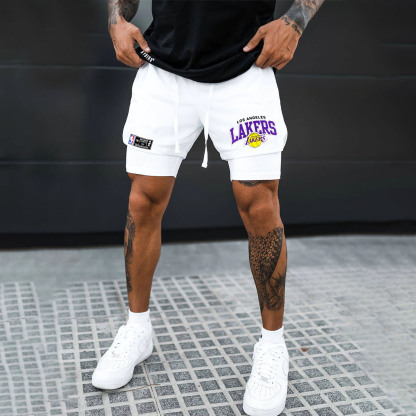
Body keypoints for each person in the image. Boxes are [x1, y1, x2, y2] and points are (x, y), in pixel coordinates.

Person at [92, 1, 325, 414]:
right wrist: (116, 21)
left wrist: (295, 21)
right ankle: (137, 329)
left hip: (245, 69)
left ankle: (273, 347)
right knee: (143, 201)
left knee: (259, 204)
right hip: (163, 70)